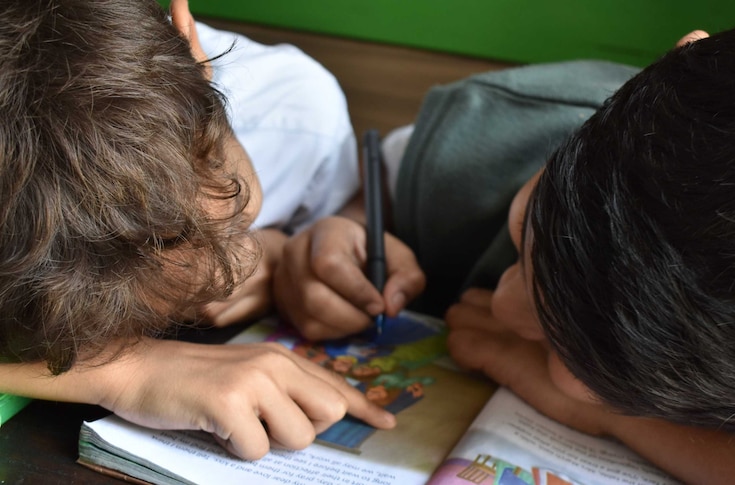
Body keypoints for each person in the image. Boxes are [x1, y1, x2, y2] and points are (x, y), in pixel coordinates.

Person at [285, 9, 735, 483]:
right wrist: (346, 226)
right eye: (522, 231)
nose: (505, 307)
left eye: (569, 354)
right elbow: (375, 185)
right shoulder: (487, 134)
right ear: (684, 54)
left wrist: (610, 419)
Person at [0, 0, 427, 461]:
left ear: (192, 49)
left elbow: (347, 209)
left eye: (239, 218)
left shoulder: (299, 119)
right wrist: (124, 371)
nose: (233, 274)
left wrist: (326, 236)